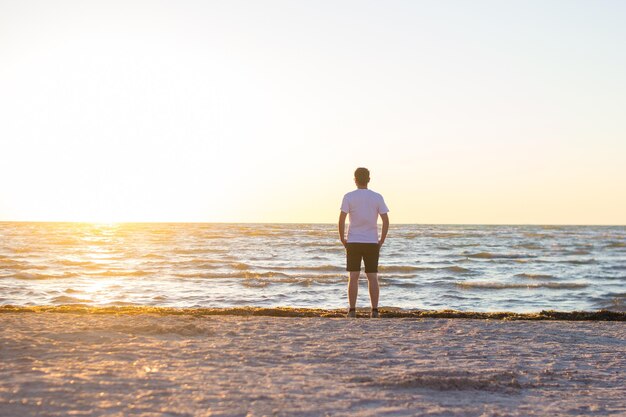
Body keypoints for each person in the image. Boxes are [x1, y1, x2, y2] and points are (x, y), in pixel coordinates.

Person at [338, 167, 389, 318]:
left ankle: (352, 310)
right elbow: (385, 220)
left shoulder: (349, 196)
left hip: (353, 241)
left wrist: (342, 238)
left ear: (355, 179)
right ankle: (374, 311)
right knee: (372, 277)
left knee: (353, 276)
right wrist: (381, 240)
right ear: (369, 179)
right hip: (371, 242)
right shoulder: (377, 197)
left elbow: (341, 219)